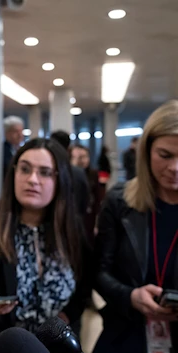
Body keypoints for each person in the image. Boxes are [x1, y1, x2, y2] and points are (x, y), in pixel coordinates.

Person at [0, 138, 90, 353]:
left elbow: (83, 289)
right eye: (24, 169)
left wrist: (61, 323)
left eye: (44, 172)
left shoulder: (72, 230)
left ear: (61, 180)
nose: (32, 179)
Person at [93, 100, 178, 353]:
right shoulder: (119, 202)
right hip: (125, 334)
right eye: (165, 155)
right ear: (146, 152)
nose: (174, 168)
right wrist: (130, 296)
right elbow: (98, 272)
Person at [50, 130, 90, 216]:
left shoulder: (46, 172)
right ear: (69, 148)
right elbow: (85, 201)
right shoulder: (78, 173)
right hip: (75, 219)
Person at [69, 144, 103, 243]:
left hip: (88, 216)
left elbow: (98, 198)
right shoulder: (69, 175)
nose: (82, 160)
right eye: (78, 157)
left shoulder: (93, 174)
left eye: (85, 156)